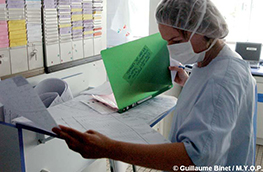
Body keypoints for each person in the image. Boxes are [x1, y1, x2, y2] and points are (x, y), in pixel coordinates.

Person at [52, 0, 256, 171]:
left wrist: (108, 148)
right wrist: (189, 81)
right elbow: (214, 104)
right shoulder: (212, 60)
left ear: (203, 31)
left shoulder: (224, 79)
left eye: (175, 40)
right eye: (166, 41)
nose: (170, 48)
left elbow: (192, 159)